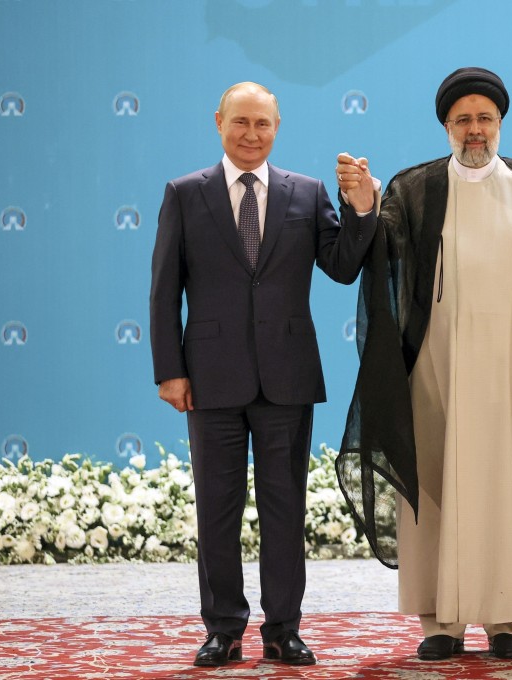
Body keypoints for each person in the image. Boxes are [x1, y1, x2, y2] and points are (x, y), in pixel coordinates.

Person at [333, 67, 512, 661]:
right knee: (436, 489)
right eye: (463, 119)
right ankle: (438, 623)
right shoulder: (415, 188)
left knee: (508, 489)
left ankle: (506, 620)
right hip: (435, 373)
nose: (475, 129)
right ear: (446, 125)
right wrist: (363, 203)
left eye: (484, 118)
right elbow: (381, 249)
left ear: (500, 123)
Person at [149, 81, 376, 667]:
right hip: (210, 377)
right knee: (215, 509)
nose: (251, 134)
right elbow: (163, 289)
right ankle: (223, 629)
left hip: (287, 376)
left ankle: (283, 629)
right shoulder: (184, 193)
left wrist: (361, 209)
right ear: (218, 121)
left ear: (277, 128)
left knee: (285, 508)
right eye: (241, 122)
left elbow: (342, 266)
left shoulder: (309, 192)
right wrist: (170, 370)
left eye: (263, 124)